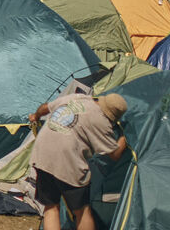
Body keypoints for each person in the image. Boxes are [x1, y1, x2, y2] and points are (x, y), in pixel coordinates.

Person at [28, 94, 129, 230]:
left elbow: (45, 107)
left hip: (42, 155)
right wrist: (125, 137)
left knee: (51, 207)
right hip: (68, 163)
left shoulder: (77, 97)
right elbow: (114, 155)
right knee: (82, 211)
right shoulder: (102, 122)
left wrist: (36, 116)